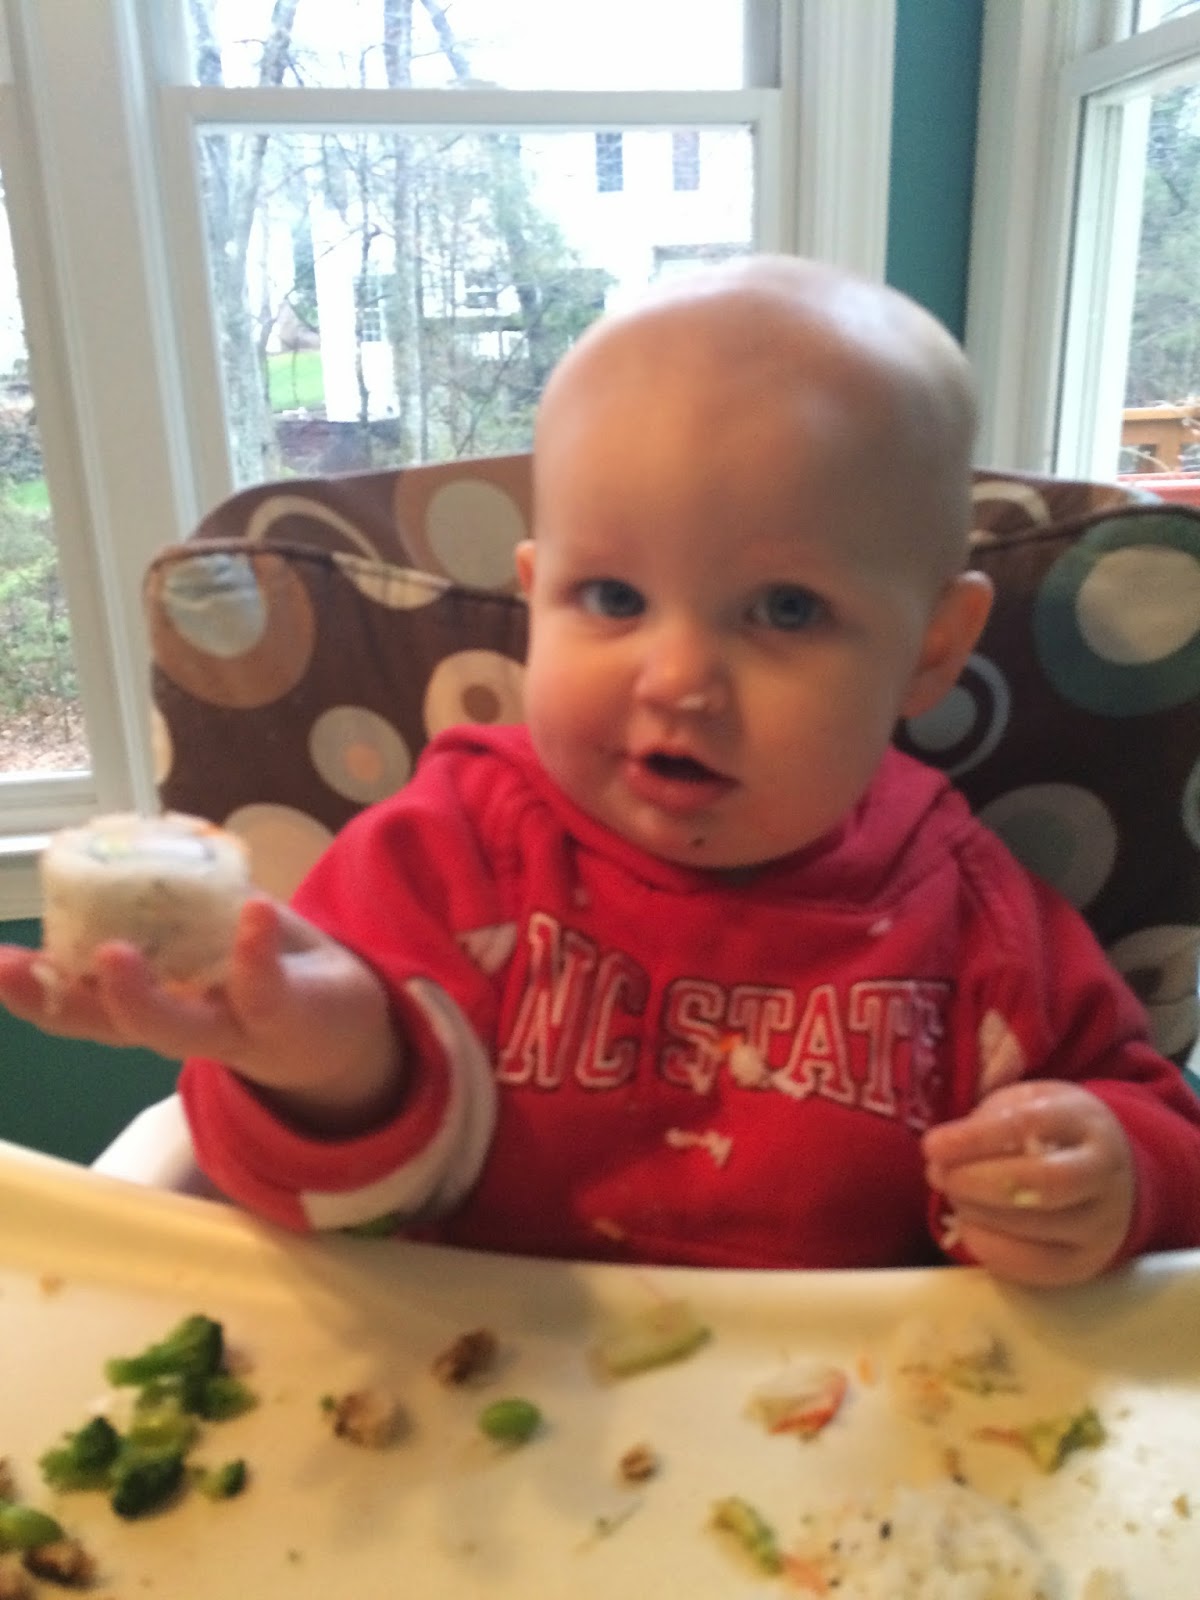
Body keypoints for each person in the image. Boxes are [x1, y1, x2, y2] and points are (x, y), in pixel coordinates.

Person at [3, 254, 1200, 1288]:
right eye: (614, 597)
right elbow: (313, 1204)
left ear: (932, 649)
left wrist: (1108, 1172)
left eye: (785, 609)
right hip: (470, 1407)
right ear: (535, 600)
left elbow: (1166, 1139)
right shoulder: (445, 858)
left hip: (853, 1429)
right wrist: (327, 1064)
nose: (678, 678)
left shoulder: (975, 921)